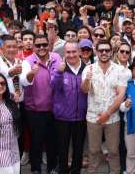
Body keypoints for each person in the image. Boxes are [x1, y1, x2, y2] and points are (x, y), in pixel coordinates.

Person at [81, 39, 127, 174]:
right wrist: (87, 80)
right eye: (101, 50)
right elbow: (84, 90)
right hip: (93, 118)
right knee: (94, 150)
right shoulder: (88, 69)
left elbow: (121, 95)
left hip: (112, 118)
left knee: (113, 151)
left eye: (107, 50)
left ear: (112, 52)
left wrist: (107, 114)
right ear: (96, 52)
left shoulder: (120, 70)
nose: (104, 52)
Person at [23, 34, 60, 174]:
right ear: (33, 47)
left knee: (52, 142)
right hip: (35, 110)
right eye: (38, 45)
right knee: (36, 142)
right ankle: (36, 169)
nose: (41, 47)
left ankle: (51, 168)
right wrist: (32, 74)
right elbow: (25, 80)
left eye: (44, 44)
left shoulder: (56, 58)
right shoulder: (27, 61)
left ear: (49, 45)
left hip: (54, 109)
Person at [51, 41, 88, 174]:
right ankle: (63, 170)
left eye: (74, 51)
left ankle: (75, 171)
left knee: (78, 149)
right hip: (63, 117)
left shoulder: (87, 68)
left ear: (79, 52)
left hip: (81, 117)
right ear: (64, 53)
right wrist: (59, 73)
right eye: (68, 52)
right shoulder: (59, 69)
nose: (71, 55)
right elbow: (54, 87)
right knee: (62, 149)